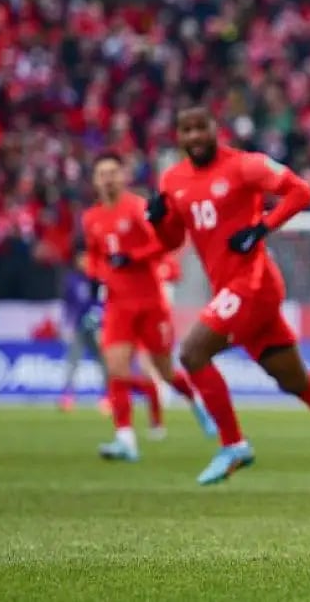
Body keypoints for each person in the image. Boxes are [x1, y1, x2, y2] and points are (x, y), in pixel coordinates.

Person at [149, 106, 310, 487]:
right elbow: (172, 241)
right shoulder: (173, 180)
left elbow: (301, 191)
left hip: (253, 284)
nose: (194, 136)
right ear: (178, 137)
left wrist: (261, 228)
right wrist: (157, 220)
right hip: (233, 291)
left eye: (201, 127)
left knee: (192, 353)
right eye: (186, 129)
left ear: (216, 129)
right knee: (295, 380)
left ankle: (233, 445)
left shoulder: (244, 165)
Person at [82, 153, 218, 462]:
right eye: (102, 173)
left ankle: (195, 402)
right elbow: (94, 256)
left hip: (150, 303)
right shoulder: (91, 219)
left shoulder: (138, 208)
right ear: (95, 180)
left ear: (123, 176)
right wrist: (96, 274)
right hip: (117, 304)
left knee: (166, 372)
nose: (108, 178)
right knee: (116, 368)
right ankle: (125, 439)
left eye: (113, 172)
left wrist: (134, 257)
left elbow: (163, 244)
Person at [60, 249, 107, 413]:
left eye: (87, 258)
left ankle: (107, 397)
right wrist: (67, 324)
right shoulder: (72, 280)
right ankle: (67, 396)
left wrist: (97, 317)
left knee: (103, 362)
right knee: (73, 360)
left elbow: (103, 301)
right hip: (78, 326)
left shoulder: (97, 278)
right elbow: (69, 304)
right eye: (81, 259)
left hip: (97, 326)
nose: (84, 262)